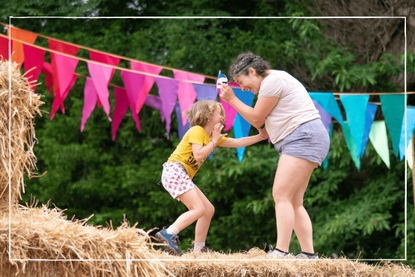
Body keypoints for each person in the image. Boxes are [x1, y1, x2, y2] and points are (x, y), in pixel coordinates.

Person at [220, 51, 330, 259]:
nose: (242, 88)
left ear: (252, 71)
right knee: (294, 201)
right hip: (307, 137)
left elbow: (256, 118)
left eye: (242, 82)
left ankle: (281, 252)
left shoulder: (272, 81)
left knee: (280, 195)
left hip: (303, 137)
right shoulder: (276, 80)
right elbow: (274, 117)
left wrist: (232, 99)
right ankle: (308, 255)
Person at [155, 100, 268, 255]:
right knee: (199, 209)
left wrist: (261, 137)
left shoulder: (211, 137)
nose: (222, 116)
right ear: (207, 116)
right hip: (175, 171)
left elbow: (237, 142)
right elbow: (199, 154)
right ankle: (169, 233)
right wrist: (214, 141)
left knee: (208, 210)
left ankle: (199, 248)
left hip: (181, 174)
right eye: (219, 112)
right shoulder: (197, 131)